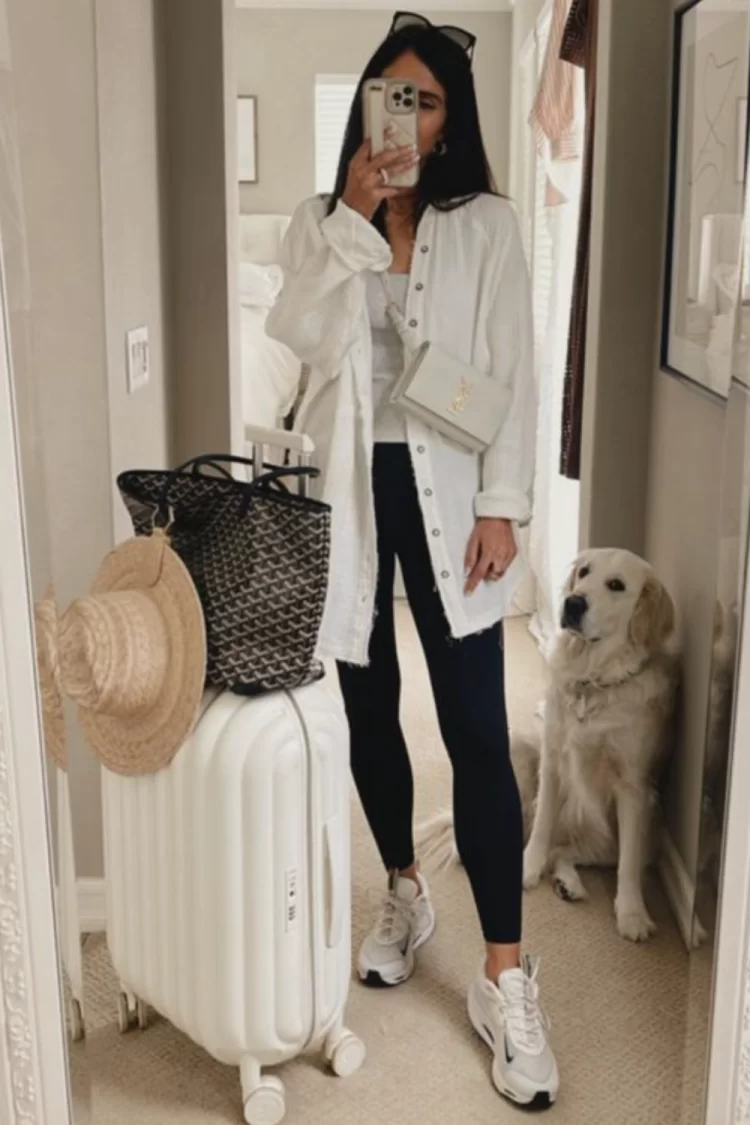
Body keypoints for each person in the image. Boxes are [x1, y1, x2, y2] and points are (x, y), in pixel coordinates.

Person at [266, 11, 558, 1110]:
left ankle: (505, 973)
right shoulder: (319, 219)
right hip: (351, 499)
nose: (410, 117)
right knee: (368, 708)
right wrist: (350, 216)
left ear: (452, 118)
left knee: (478, 726)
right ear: (366, 106)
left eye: (427, 100)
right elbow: (296, 333)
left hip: (452, 498)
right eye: (394, 96)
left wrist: (506, 505)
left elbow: (515, 378)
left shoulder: (487, 224)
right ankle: (403, 890)